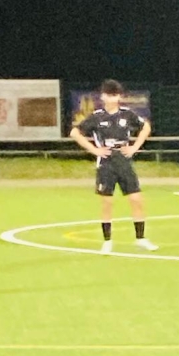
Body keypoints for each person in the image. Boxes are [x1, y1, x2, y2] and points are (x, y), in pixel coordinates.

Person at [69, 79, 156, 254]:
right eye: (108, 95)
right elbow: (74, 132)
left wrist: (135, 147)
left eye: (114, 95)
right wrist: (94, 150)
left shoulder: (127, 114)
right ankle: (107, 241)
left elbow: (146, 127)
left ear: (119, 97)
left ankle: (141, 238)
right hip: (106, 163)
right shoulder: (97, 116)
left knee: (136, 199)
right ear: (102, 97)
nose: (111, 98)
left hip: (123, 160)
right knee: (107, 202)